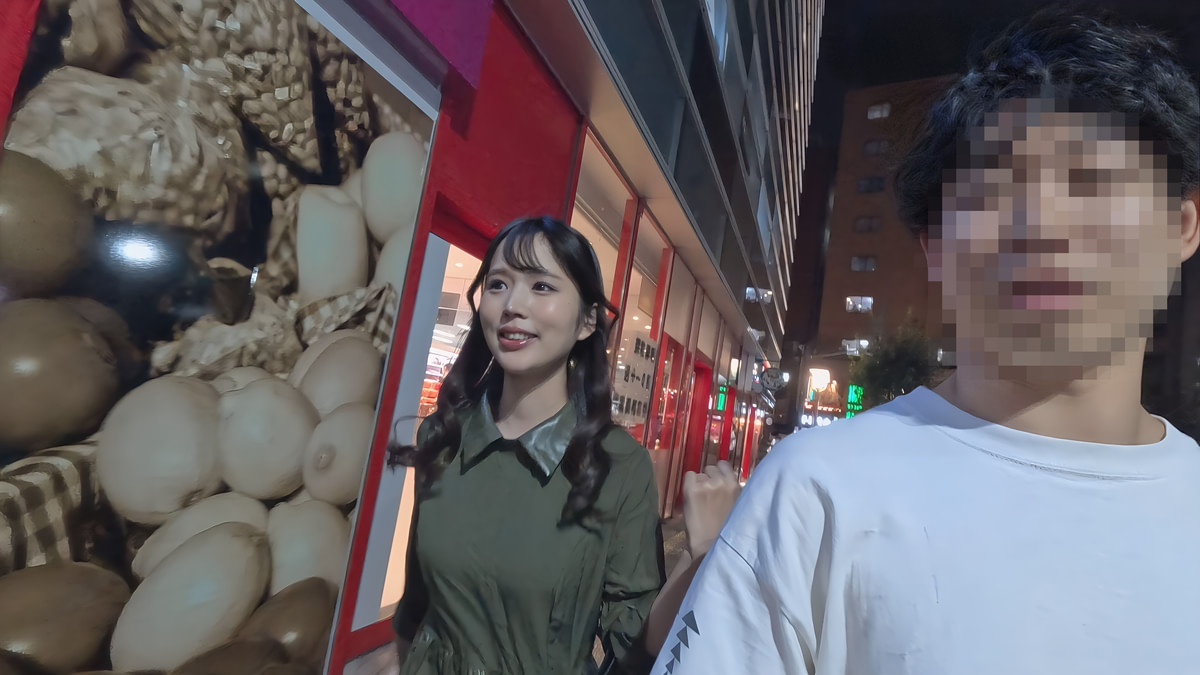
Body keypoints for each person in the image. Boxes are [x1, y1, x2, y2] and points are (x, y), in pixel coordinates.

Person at [652, 9, 1200, 675]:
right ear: (934, 246)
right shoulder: (816, 492)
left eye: (1093, 180)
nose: (1045, 224)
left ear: (1181, 225)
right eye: (997, 187)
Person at [386, 216, 740, 674]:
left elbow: (635, 643)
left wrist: (703, 552)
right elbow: (414, 609)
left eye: (541, 287)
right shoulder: (442, 436)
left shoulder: (618, 466)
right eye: (498, 284)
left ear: (587, 321)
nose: (512, 305)